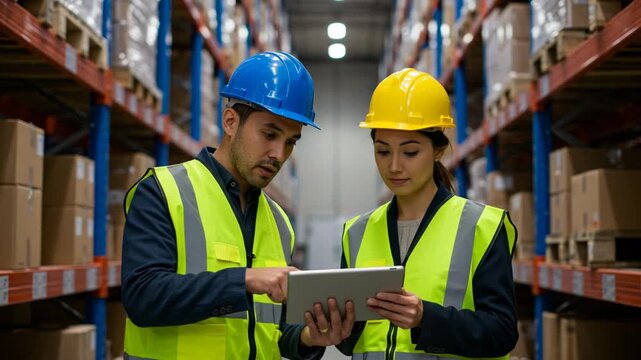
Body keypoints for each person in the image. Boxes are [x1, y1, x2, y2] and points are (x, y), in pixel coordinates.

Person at [121, 51, 354, 360]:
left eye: (290, 142)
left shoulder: (280, 223)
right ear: (230, 121)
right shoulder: (164, 191)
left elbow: (272, 332)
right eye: (269, 134)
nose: (279, 154)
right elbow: (143, 298)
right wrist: (245, 279)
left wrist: (309, 338)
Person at [336, 68, 518, 359]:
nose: (394, 166)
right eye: (383, 152)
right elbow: (350, 343)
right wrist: (336, 327)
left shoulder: (482, 226)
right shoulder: (356, 232)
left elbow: (501, 332)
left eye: (410, 153)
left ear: (438, 151)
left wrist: (426, 318)